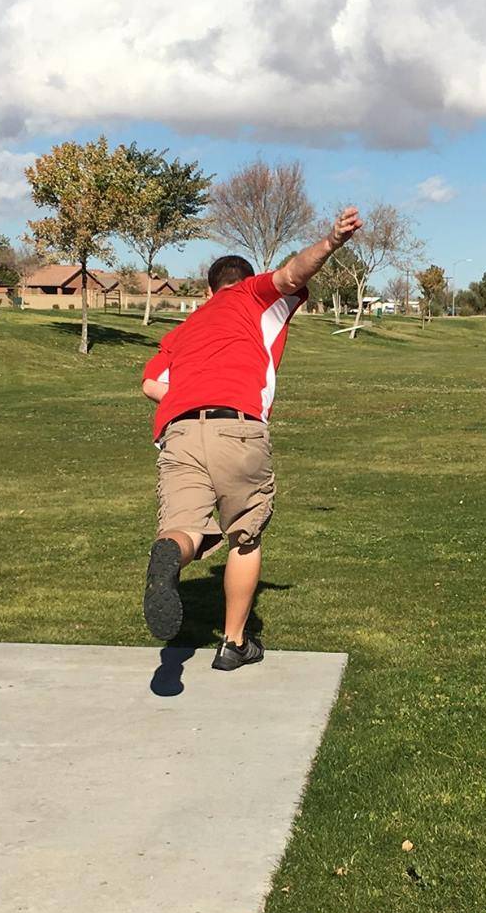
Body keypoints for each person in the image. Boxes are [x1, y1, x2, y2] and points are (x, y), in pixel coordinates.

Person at [139, 206, 362, 670]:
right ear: (243, 281)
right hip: (236, 428)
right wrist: (332, 241)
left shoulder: (186, 326)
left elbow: (151, 384)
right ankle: (234, 644)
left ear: (206, 289)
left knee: (182, 529)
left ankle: (170, 556)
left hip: (178, 430)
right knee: (245, 533)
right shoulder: (252, 296)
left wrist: (190, 392)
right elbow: (291, 273)